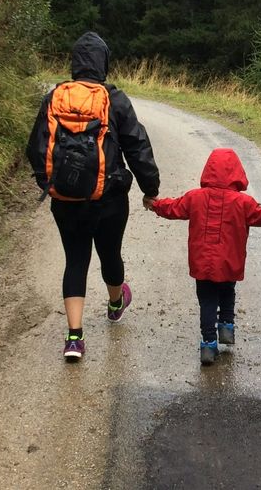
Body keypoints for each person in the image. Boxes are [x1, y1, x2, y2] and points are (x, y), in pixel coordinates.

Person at [27, 32, 160, 362]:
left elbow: (36, 148)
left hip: (66, 201)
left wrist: (51, 183)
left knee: (75, 260)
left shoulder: (55, 97)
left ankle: (74, 337)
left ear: (74, 63)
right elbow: (137, 146)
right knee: (110, 254)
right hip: (109, 199)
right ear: (104, 63)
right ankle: (116, 303)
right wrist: (150, 189)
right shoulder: (114, 99)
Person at [148, 148, 261, 366]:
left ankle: (209, 344)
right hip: (230, 262)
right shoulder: (243, 202)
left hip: (202, 263)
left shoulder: (195, 198)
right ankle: (227, 327)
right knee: (227, 291)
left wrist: (155, 204)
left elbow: (173, 208)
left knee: (207, 300)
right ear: (237, 173)